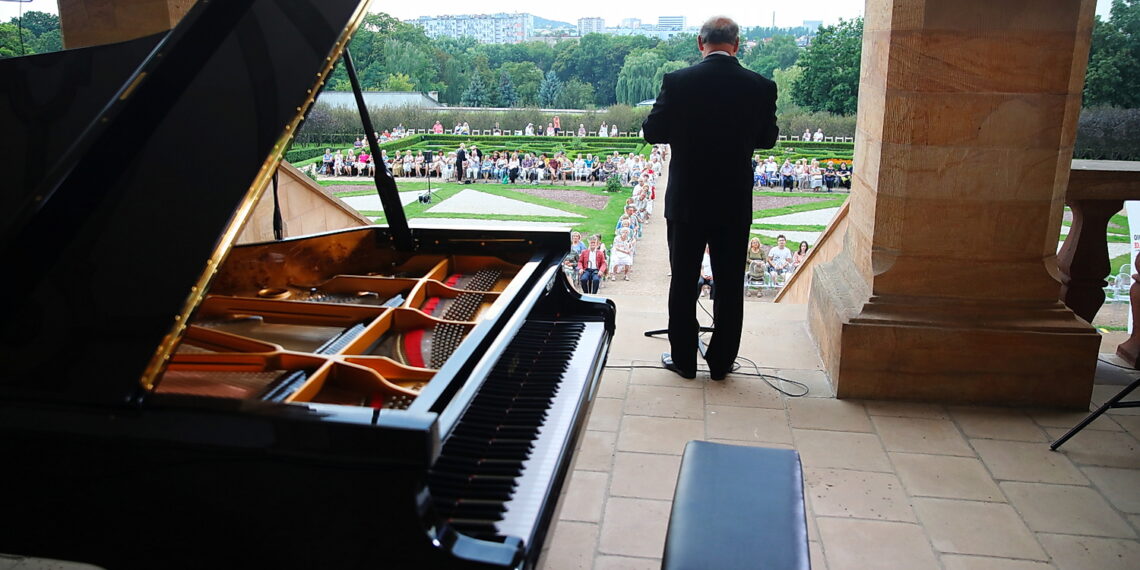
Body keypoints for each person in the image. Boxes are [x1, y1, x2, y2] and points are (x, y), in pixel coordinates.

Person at [642, 15, 778, 381]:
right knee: (730, 284)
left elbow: (652, 131)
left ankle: (684, 360)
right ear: (736, 44)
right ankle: (721, 363)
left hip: (687, 198)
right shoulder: (761, 86)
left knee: (683, 281)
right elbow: (767, 139)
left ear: (700, 43)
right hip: (733, 200)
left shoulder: (678, 82)